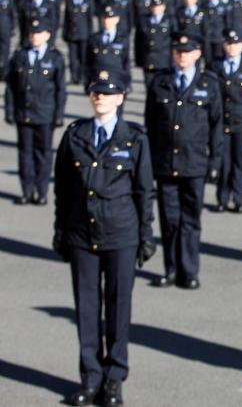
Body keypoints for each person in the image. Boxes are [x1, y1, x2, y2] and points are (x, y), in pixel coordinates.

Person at [53, 69, 155, 407]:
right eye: (96, 93)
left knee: (117, 308)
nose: (101, 98)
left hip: (121, 233)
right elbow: (64, 191)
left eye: (108, 94)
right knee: (86, 309)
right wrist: (60, 231)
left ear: (120, 98)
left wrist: (145, 235)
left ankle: (114, 379)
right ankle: (90, 378)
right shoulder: (75, 135)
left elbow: (143, 191)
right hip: (82, 233)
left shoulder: (135, 138)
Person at [144, 33, 223, 290]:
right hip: (166, 163)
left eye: (187, 51)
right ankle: (170, 269)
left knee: (190, 220)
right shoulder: (160, 81)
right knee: (169, 220)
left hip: (195, 163)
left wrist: (215, 163)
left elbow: (216, 127)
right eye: (178, 51)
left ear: (198, 54)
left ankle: (189, 271)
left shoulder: (209, 84)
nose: (182, 56)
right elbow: (151, 125)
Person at [5, 17, 66, 204]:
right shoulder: (20, 56)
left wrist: (59, 115)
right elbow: (11, 88)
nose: (34, 36)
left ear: (47, 35)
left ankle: (41, 191)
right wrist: (9, 110)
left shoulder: (55, 58)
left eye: (38, 33)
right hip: (24, 112)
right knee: (25, 153)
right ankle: (26, 190)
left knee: (43, 154)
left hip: (45, 113)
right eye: (32, 33)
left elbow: (60, 90)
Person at [208, 29, 242, 213]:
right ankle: (222, 199)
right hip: (221, 123)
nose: (232, 47)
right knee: (223, 162)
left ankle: (238, 199)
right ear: (224, 45)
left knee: (239, 162)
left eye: (236, 44)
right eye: (229, 43)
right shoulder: (214, 66)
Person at [63, 0, 95, 85]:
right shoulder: (70, 0)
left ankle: (82, 76)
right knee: (72, 57)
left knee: (83, 57)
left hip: (84, 34)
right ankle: (74, 76)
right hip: (72, 34)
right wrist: (65, 33)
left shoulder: (88, 1)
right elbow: (66, 19)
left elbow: (90, 20)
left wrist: (90, 35)